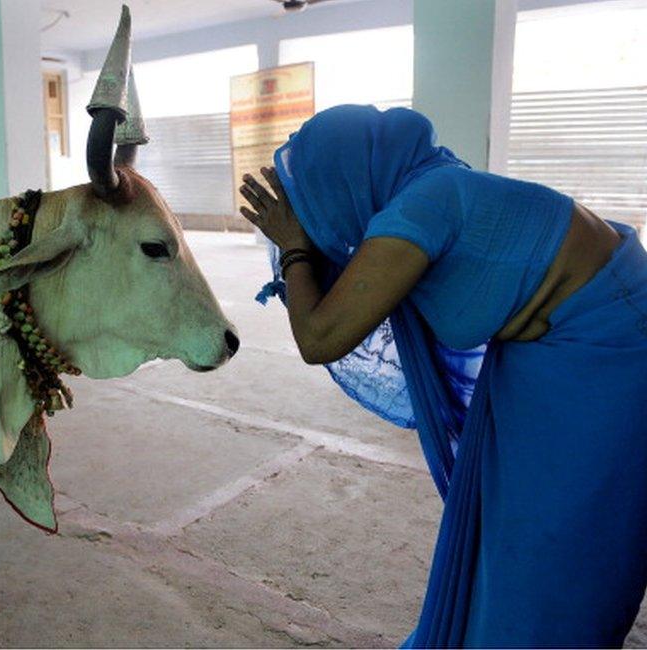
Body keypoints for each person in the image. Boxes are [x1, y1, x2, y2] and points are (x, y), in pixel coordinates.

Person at [239, 104, 647, 647]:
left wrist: (293, 246)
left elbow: (321, 337)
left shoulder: (423, 207)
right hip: (555, 351)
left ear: (348, 177)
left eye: (316, 192)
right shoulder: (435, 184)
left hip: (607, 355)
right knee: (509, 530)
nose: (319, 213)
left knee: (565, 540)